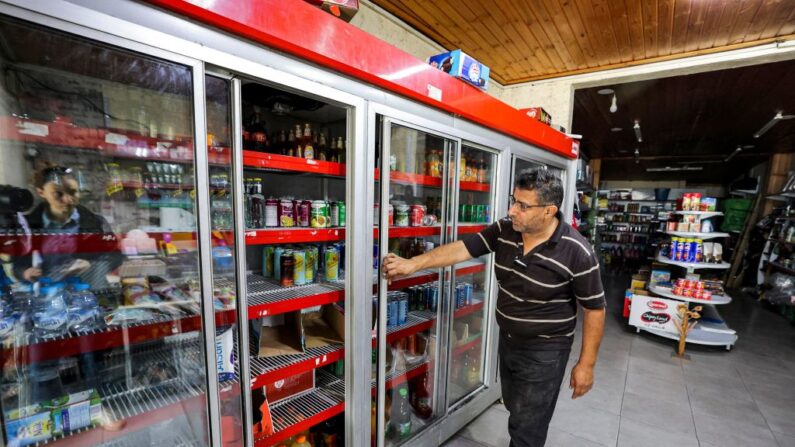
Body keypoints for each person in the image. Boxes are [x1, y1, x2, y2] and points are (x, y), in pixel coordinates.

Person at [383, 169, 606, 447]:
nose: (513, 210)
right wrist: (413, 264)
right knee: (516, 407)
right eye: (513, 201)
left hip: (546, 350)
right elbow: (464, 248)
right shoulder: (505, 229)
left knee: (528, 428)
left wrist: (587, 364)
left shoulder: (577, 251)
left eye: (522, 206)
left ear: (549, 211)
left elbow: (595, 308)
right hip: (510, 341)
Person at [13, 165, 122, 289]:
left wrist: (90, 262)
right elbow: (17, 265)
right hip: (45, 294)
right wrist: (25, 272)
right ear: (41, 192)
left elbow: (116, 256)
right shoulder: (28, 226)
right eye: (58, 193)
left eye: (72, 191)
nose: (67, 199)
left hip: (86, 293)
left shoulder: (94, 222)